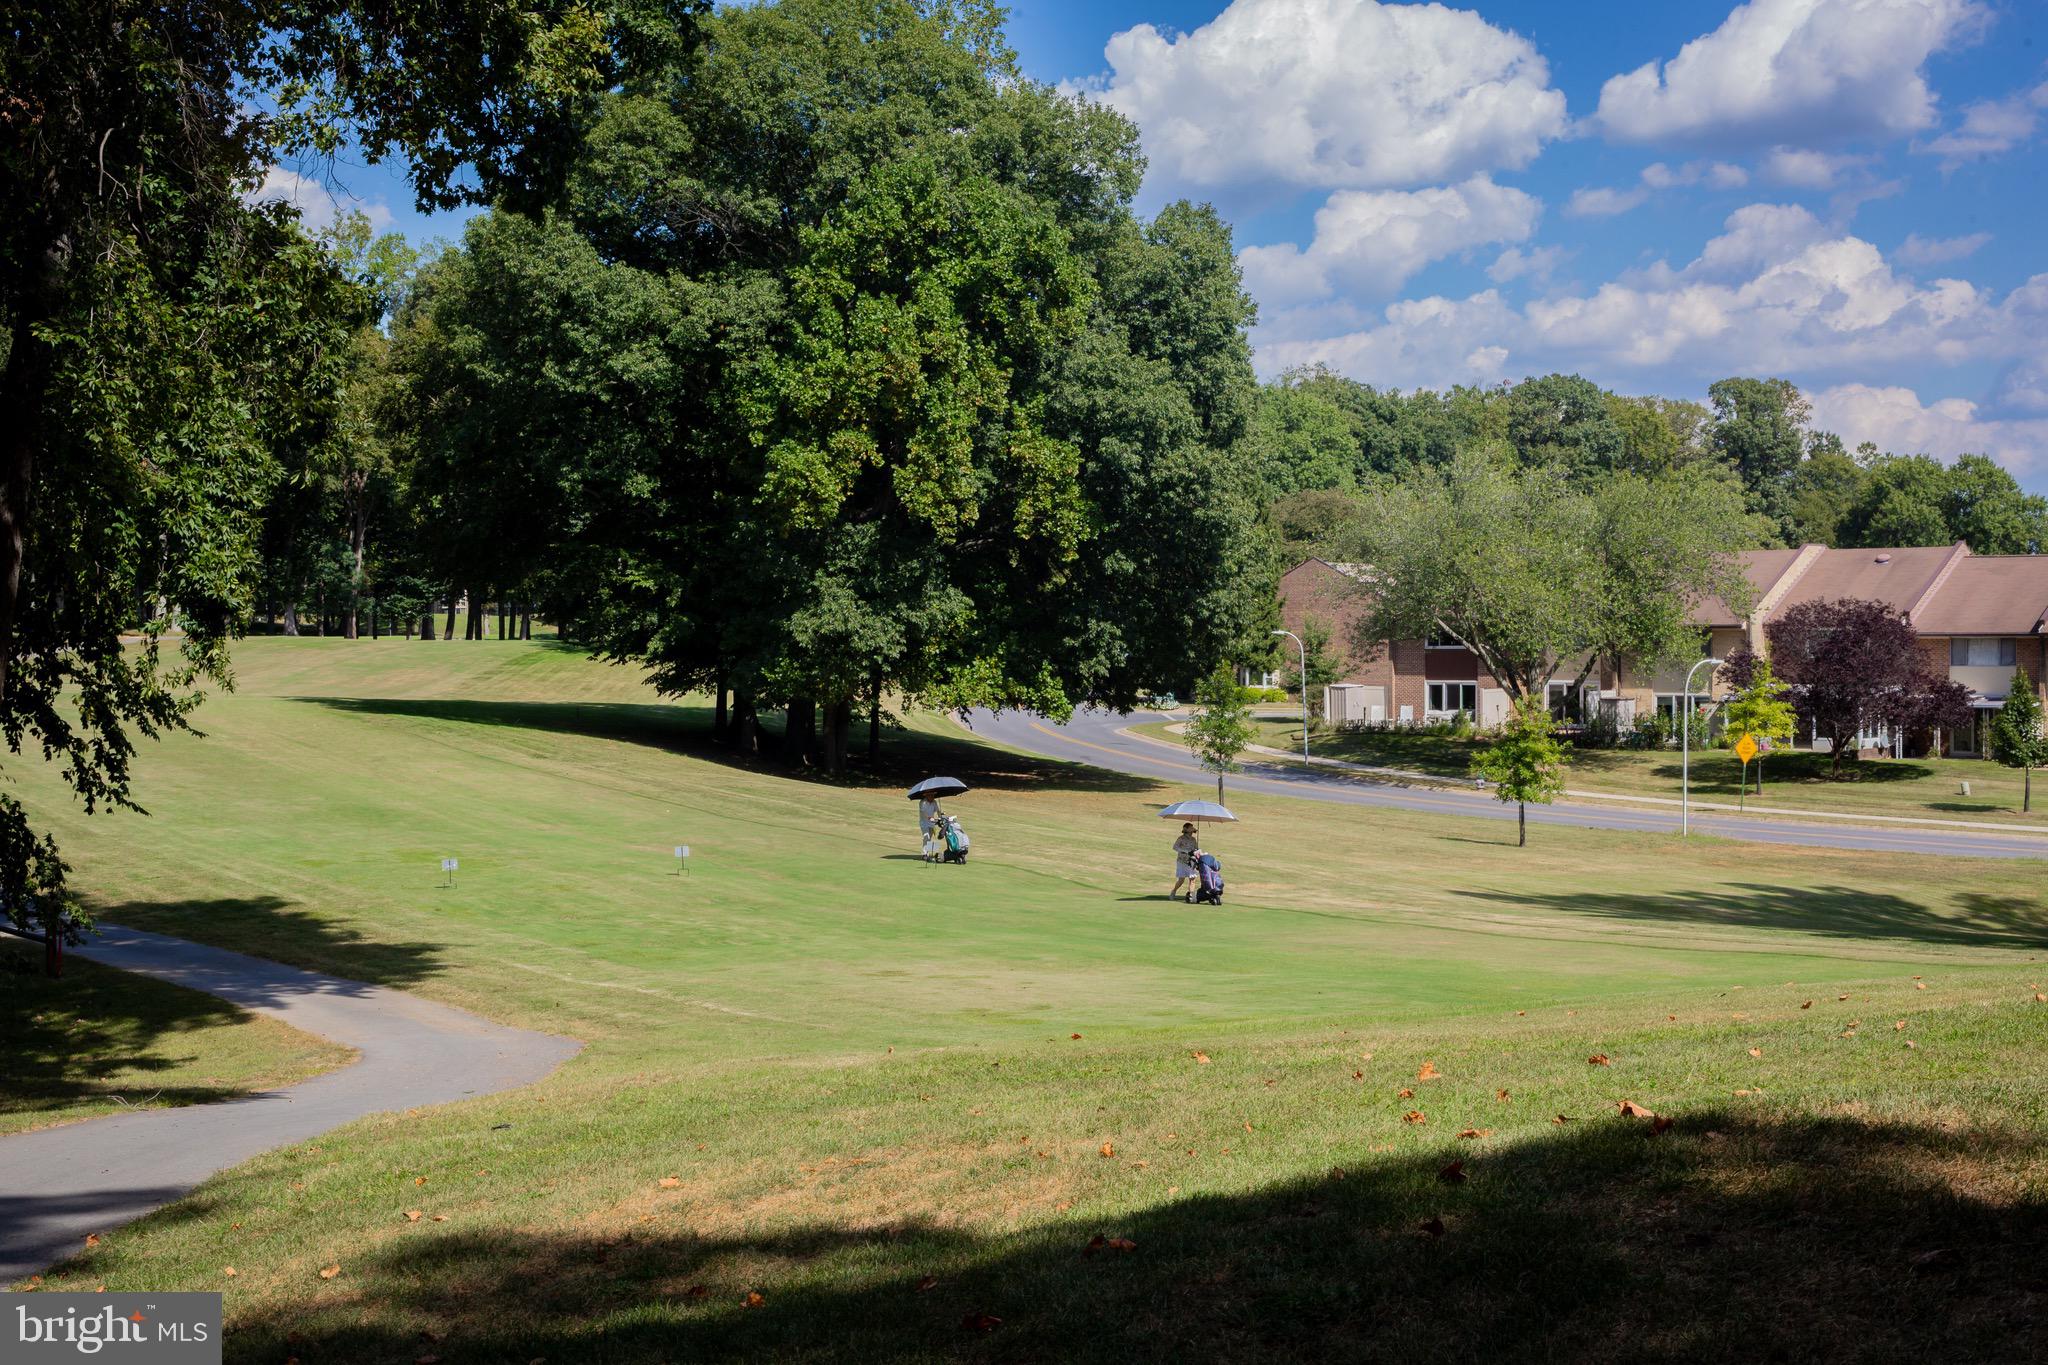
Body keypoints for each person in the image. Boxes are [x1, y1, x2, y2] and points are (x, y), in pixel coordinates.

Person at [1170, 822, 1201, 901]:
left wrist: (1198, 853)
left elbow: (1196, 849)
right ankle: (1174, 891)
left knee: (1192, 879)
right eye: (1190, 827)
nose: (1192, 828)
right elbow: (1175, 847)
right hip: (1182, 861)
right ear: (1186, 829)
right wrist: (1185, 851)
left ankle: (1191, 895)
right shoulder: (1181, 838)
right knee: (1181, 880)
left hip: (1191, 862)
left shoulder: (1194, 839)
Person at [919, 795, 942, 861]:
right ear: (927, 796)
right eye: (931, 796)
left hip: (932, 823)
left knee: (929, 839)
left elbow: (938, 810)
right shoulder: (922, 802)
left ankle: (927, 853)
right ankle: (924, 854)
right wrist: (929, 818)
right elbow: (923, 813)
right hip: (924, 823)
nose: (933, 797)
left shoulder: (934, 802)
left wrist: (940, 817)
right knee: (926, 837)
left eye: (933, 795)